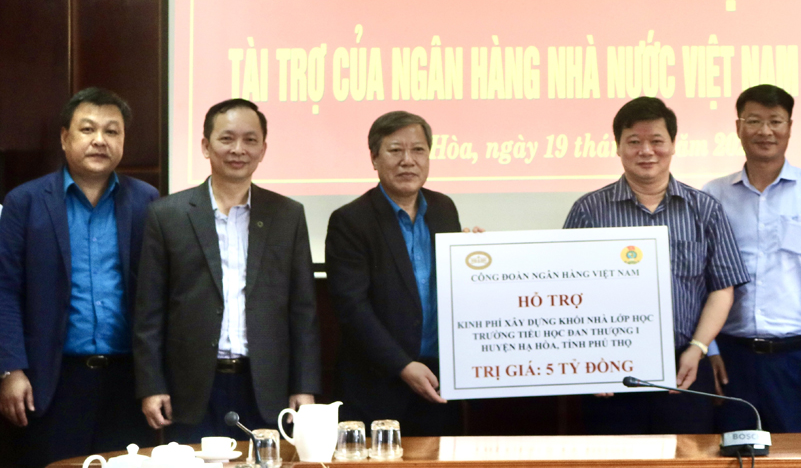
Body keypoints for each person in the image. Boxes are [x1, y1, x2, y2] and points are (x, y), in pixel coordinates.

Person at [133, 98, 321, 442]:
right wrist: (152, 385)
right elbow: (149, 310)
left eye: (250, 140)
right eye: (227, 138)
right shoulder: (167, 215)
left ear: (263, 149)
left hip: (266, 386)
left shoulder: (287, 215)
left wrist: (303, 385)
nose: (238, 149)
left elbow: (303, 310)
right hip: (191, 388)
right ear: (206, 146)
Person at [563, 96, 749, 435]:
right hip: (609, 369)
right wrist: (589, 361)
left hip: (685, 366)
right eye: (634, 141)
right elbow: (567, 291)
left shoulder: (704, 209)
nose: (646, 151)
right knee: (615, 458)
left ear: (673, 144)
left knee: (687, 456)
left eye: (656, 141)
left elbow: (722, 288)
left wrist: (698, 348)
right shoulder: (588, 211)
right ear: (618, 147)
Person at [0, 88, 158, 467]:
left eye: (112, 131)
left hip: (128, 382)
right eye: (87, 129)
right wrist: (10, 369)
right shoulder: (25, 202)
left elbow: (158, 296)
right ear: (64, 137)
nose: (100, 140)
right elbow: (5, 290)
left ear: (123, 140)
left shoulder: (147, 201)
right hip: (51, 379)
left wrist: (157, 380)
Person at [702, 84, 801, 433]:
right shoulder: (713, 195)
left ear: (789, 127)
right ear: (738, 128)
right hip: (731, 359)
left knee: (799, 455)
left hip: (797, 360)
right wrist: (710, 350)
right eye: (754, 121)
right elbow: (701, 282)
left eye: (775, 121)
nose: (765, 131)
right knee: (731, 453)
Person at [326, 111, 474, 435]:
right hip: (377, 387)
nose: (408, 160)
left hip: (438, 382)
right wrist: (403, 366)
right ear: (374, 158)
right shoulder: (350, 221)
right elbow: (352, 308)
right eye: (395, 150)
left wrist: (475, 256)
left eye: (418, 150)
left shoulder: (444, 209)